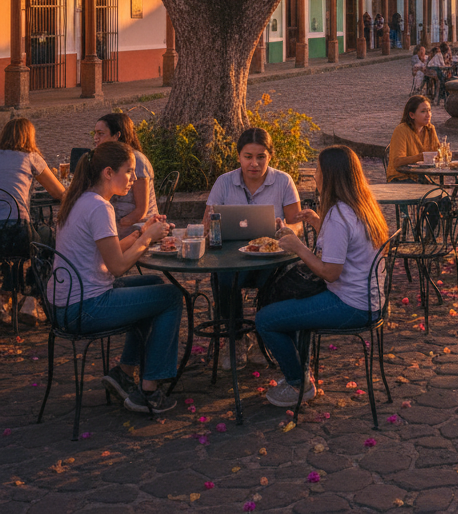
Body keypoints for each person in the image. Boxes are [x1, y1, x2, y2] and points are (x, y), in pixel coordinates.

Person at [52, 141, 181, 414]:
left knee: (155, 284)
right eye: (129, 171)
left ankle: (124, 372)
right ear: (108, 172)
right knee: (171, 297)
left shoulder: (81, 199)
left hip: (66, 304)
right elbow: (118, 267)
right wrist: (148, 238)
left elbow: (105, 253)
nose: (134, 179)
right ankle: (149, 392)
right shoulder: (100, 207)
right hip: (84, 308)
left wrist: (138, 232)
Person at [256, 146, 390, 408]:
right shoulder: (361, 206)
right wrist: (319, 224)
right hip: (370, 299)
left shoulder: (339, 216)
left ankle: (298, 382)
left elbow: (330, 272)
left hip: (351, 305)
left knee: (266, 319)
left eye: (317, 169)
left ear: (330, 175)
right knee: (287, 308)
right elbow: (350, 245)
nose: (314, 175)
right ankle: (301, 371)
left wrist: (298, 247)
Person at [204, 128, 302, 369]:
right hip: (231, 257)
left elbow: (297, 222)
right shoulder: (224, 182)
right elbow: (208, 222)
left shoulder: (283, 181)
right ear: (239, 156)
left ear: (270, 156)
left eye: (261, 157)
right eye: (248, 156)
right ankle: (236, 336)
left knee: (279, 278)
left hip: (271, 255)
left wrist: (287, 228)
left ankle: (266, 335)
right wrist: (212, 225)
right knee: (224, 276)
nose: (254, 164)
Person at [0, 117, 64, 325]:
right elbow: (58, 192)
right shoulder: (30, 157)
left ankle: (4, 301)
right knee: (47, 239)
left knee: (8, 254)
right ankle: (30, 299)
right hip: (18, 231)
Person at [93, 112, 159, 237]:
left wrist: (118, 225)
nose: (95, 138)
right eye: (95, 133)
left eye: (101, 134)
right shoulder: (105, 160)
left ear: (117, 135)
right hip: (114, 222)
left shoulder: (137, 160)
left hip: (138, 225)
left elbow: (141, 211)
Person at [386, 96, 441, 182]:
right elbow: (397, 162)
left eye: (429, 110)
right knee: (431, 192)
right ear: (412, 115)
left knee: (443, 193)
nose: (428, 115)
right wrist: (420, 157)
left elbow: (438, 152)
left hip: (424, 177)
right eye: (423, 111)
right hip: (401, 178)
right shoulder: (402, 130)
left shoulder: (430, 129)